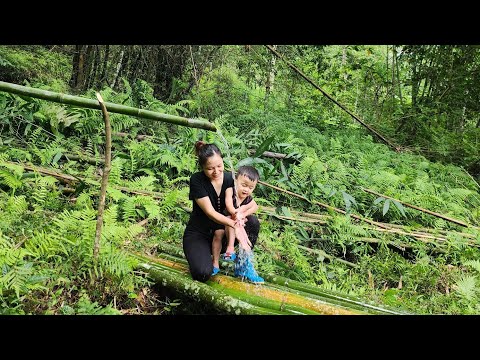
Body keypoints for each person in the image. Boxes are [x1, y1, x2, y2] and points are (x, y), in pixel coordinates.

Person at [182, 141, 263, 283]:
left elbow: (251, 202)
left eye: (219, 166)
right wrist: (234, 224)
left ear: (222, 160)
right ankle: (208, 258)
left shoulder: (231, 179)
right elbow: (210, 213)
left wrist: (240, 215)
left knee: (253, 222)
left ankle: (243, 266)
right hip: (199, 234)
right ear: (202, 167)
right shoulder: (197, 180)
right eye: (210, 168)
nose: (216, 171)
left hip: (223, 233)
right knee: (202, 273)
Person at [211, 165, 263, 284]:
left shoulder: (247, 198)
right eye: (243, 185)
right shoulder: (231, 190)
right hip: (220, 223)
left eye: (251, 187)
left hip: (235, 225)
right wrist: (236, 213)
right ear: (236, 181)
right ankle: (217, 261)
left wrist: (244, 211)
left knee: (253, 222)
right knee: (220, 232)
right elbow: (229, 206)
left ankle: (243, 264)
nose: (246, 190)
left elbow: (255, 206)